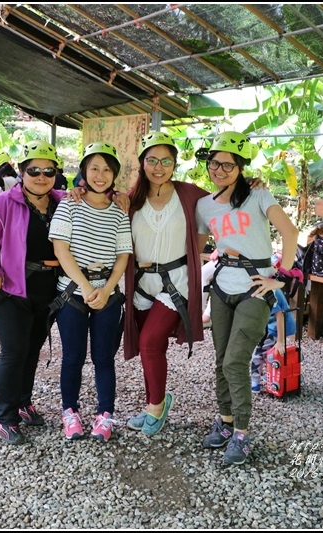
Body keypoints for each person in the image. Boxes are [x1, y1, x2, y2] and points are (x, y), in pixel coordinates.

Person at [196, 131, 299, 465]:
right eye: (215, 163)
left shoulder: (258, 195)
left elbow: (291, 232)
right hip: (222, 287)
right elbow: (198, 247)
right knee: (221, 360)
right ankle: (225, 423)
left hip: (256, 288)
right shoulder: (204, 205)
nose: (220, 170)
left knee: (234, 361)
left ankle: (241, 433)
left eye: (228, 164)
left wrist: (281, 278)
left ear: (240, 167)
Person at [0, 140, 67, 445]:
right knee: (13, 352)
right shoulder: (3, 203)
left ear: (56, 175)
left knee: (32, 349)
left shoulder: (63, 202)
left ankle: (23, 402)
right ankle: (6, 416)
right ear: (22, 171)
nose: (41, 176)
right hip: (11, 289)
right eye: (34, 170)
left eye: (48, 171)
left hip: (47, 290)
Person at [122, 131, 207, 436]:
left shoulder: (191, 194)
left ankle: (156, 408)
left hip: (177, 282)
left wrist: (252, 186)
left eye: (166, 161)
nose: (159, 166)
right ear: (142, 162)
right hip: (142, 282)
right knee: (152, 347)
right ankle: (152, 403)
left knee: (148, 342)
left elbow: (226, 202)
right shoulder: (131, 198)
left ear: (174, 163)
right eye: (152, 160)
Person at [48, 142, 132, 442]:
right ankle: (69, 412)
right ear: (84, 171)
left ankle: (105, 414)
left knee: (104, 358)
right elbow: (61, 248)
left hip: (107, 294)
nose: (100, 175)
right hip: (72, 293)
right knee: (72, 357)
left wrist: (107, 289)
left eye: (107, 169)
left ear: (114, 175)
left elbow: (123, 255)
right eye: (94, 168)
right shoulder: (69, 204)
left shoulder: (119, 212)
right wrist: (85, 287)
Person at [249, 253, 297, 392]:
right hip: (270, 324)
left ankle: (255, 382)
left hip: (277, 327)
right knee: (267, 351)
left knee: (257, 354)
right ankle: (271, 375)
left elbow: (279, 315)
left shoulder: (269, 290)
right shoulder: (263, 284)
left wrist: (280, 341)